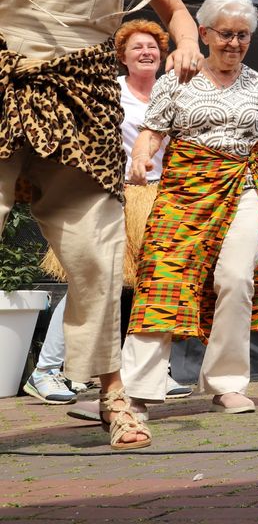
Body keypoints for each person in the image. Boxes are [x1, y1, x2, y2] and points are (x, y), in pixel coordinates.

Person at [0, 0, 204, 449]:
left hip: (83, 106)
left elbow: (176, 11)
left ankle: (111, 394)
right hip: (4, 88)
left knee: (94, 259)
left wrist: (188, 42)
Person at [121, 0, 258, 415]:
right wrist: (141, 156)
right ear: (203, 33)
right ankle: (137, 389)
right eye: (225, 34)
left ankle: (225, 382)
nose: (234, 43)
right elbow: (152, 132)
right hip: (184, 189)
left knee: (237, 279)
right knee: (162, 277)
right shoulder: (175, 80)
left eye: (243, 35)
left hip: (244, 185)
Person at [29, 21, 193, 407]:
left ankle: (150, 373)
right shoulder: (111, 92)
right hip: (112, 194)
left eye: (152, 46)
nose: (146, 53)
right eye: (137, 47)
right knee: (89, 281)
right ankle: (46, 370)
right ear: (123, 56)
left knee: (156, 287)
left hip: (160, 198)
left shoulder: (172, 93)